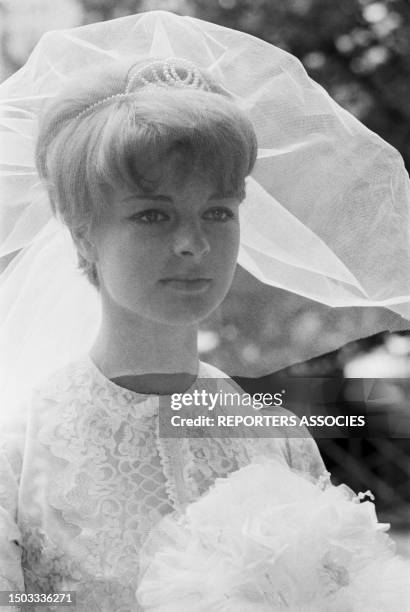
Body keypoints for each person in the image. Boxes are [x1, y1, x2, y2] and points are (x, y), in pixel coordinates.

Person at [0, 10, 409, 612]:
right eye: (152, 214)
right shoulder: (21, 451)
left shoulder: (279, 435)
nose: (194, 243)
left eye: (219, 210)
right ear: (83, 235)